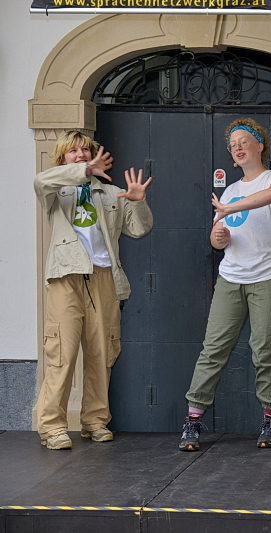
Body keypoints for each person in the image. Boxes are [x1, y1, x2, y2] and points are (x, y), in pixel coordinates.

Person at [178, 118, 271, 452]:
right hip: (231, 278)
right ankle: (193, 420)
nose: (238, 147)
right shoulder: (228, 190)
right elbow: (217, 240)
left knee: (264, 349)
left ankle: (270, 420)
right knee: (213, 348)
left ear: (260, 145)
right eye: (233, 145)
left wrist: (229, 208)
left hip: (270, 277)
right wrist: (219, 235)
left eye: (244, 141)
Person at [34, 130, 153, 450]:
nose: (81, 155)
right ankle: (52, 427)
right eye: (73, 151)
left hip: (104, 277)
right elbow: (40, 181)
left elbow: (139, 228)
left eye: (86, 150)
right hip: (66, 276)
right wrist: (82, 172)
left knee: (102, 353)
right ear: (62, 158)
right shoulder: (55, 190)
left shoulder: (111, 193)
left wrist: (139, 202)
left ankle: (95, 420)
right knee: (62, 353)